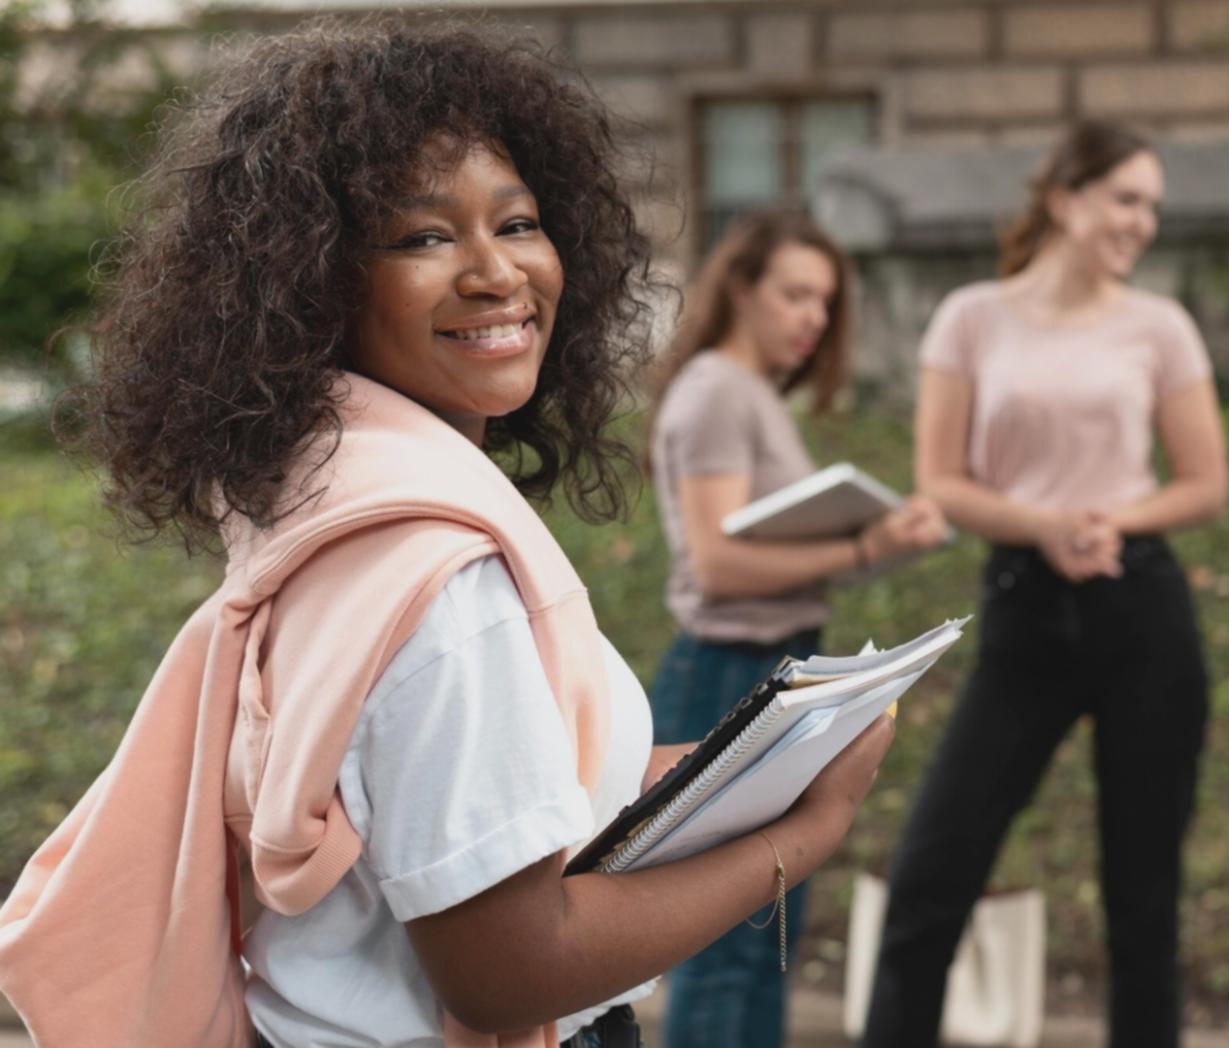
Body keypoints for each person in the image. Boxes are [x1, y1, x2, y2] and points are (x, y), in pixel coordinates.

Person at [0, 21, 897, 1048]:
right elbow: (512, 970)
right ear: (313, 280)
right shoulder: (442, 578)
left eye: (517, 223)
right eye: (425, 237)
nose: (496, 274)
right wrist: (800, 835)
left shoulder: (321, 501)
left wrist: (735, 765)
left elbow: (454, 798)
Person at [861, 121, 1229, 1048]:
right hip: (1026, 605)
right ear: (1066, 200)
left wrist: (1110, 522)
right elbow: (940, 478)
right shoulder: (972, 316)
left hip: (1138, 603)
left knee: (1142, 898)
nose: (1142, 222)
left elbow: (1205, 483)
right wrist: (1042, 528)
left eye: (1152, 204)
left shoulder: (1159, 326)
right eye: (1125, 198)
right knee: (930, 874)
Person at [643, 209, 948, 1048]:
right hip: (726, 674)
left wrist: (876, 547)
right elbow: (715, 565)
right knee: (723, 936)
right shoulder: (714, 391)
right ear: (740, 288)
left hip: (774, 667)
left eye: (825, 300)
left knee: (765, 932)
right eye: (795, 294)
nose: (814, 317)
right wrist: (862, 544)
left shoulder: (749, 395)